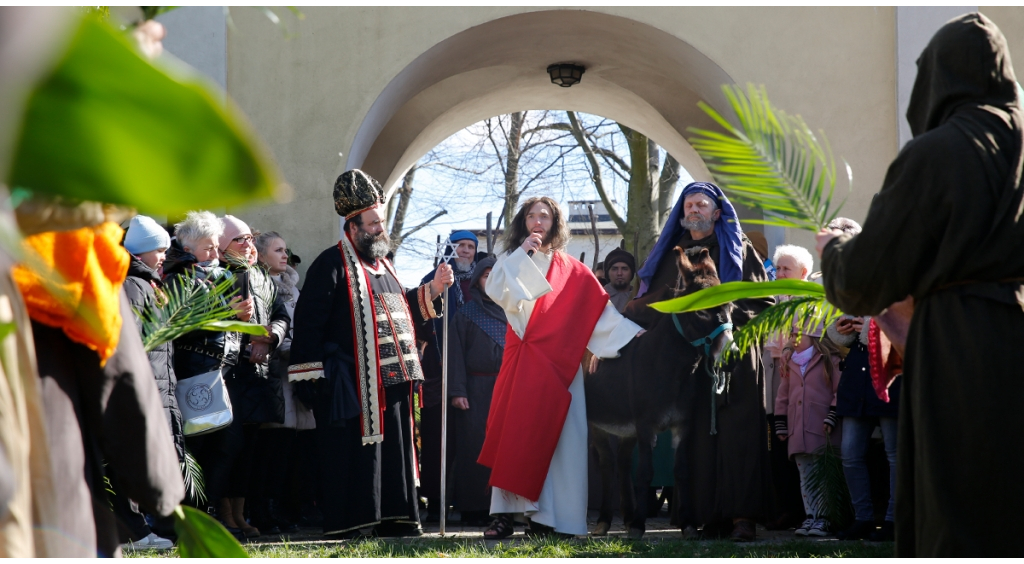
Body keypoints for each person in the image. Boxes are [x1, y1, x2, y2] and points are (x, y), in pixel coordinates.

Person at [816, 13, 1024, 556]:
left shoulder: (938, 153)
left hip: (963, 347)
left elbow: (863, 279)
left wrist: (836, 251)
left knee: (960, 502)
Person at [288, 170, 453, 538]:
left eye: (381, 221)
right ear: (353, 226)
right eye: (374, 222)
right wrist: (310, 378)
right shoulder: (330, 265)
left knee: (393, 453)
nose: (380, 228)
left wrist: (434, 289)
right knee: (354, 457)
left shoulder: (387, 265)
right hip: (349, 384)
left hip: (391, 382)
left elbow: (402, 310)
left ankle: (395, 519)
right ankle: (354, 523)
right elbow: (309, 323)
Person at [479, 196, 643, 538]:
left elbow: (601, 315)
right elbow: (497, 289)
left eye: (546, 216)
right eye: (531, 215)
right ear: (523, 222)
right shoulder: (511, 258)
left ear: (555, 223)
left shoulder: (574, 270)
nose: (538, 221)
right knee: (517, 437)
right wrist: (523, 253)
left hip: (562, 369)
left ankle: (554, 520)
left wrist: (638, 337)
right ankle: (507, 516)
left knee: (563, 442)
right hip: (522, 363)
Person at [634, 181, 773, 541]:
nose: (694, 210)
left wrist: (723, 322)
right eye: (689, 205)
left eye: (701, 204)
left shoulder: (738, 250)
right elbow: (656, 307)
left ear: (716, 212)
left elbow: (763, 303)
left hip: (736, 357)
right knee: (695, 439)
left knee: (738, 436)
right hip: (690, 364)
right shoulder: (671, 257)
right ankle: (702, 515)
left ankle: (742, 517)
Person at [212, 215, 289, 538]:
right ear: (223, 246)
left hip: (260, 376)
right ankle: (225, 514)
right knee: (230, 446)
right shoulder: (217, 276)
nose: (248, 245)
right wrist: (248, 344)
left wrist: (270, 336)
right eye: (240, 240)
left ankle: (241, 515)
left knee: (251, 450)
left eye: (249, 238)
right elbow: (216, 320)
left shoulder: (262, 277)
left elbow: (281, 315)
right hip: (230, 374)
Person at [119, 214, 183, 549]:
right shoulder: (132, 284)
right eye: (158, 249)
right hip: (146, 387)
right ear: (139, 251)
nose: (163, 256)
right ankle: (134, 532)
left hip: (159, 387)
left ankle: (149, 528)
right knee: (137, 461)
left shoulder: (148, 282)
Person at [247, 230, 313, 534]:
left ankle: (285, 507)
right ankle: (261, 509)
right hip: (272, 375)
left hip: (296, 377)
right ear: (260, 255)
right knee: (267, 451)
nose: (285, 255)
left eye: (286, 250)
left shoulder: (294, 289)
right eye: (278, 250)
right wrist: (290, 348)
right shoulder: (259, 285)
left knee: (290, 451)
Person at [418, 229, 479, 521]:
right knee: (437, 440)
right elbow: (419, 318)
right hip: (438, 371)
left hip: (474, 375)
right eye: (460, 246)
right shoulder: (433, 280)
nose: (465, 251)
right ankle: (436, 503)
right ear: (450, 249)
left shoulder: (482, 283)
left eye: (470, 246)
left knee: (471, 439)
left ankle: (470, 503)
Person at [773, 312, 843, 538]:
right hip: (797, 429)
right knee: (805, 476)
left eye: (798, 334)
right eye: (792, 333)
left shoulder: (830, 360)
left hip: (820, 430)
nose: (793, 338)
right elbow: (782, 396)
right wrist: (781, 423)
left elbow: (838, 392)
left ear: (813, 336)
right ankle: (810, 515)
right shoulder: (790, 362)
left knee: (822, 476)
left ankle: (824, 517)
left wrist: (832, 415)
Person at [447, 255, 502, 527]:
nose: (491, 280)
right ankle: (474, 508)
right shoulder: (466, 314)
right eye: (485, 275)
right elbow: (454, 354)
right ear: (477, 281)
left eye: (496, 275)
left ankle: (504, 509)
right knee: (475, 448)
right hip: (475, 390)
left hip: (506, 388)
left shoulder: (515, 312)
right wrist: (458, 391)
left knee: (505, 448)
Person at [762, 244, 813, 532]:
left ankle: (808, 512)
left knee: (802, 448)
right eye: (778, 268)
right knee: (778, 449)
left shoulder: (812, 300)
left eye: (786, 269)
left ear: (804, 273)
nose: (779, 273)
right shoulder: (774, 299)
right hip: (776, 386)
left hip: (805, 386)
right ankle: (785, 508)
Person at [602, 248, 635, 312]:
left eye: (624, 269)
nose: (619, 273)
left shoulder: (638, 298)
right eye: (614, 269)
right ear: (607, 272)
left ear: (632, 272)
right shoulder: (599, 298)